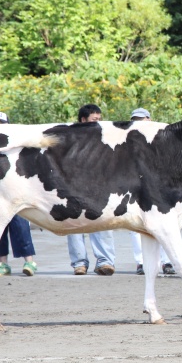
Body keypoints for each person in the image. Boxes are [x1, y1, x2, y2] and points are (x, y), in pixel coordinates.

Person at [66, 104, 116, 276]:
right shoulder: (70, 137)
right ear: (83, 119)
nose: (98, 123)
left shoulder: (105, 137)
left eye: (99, 119)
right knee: (73, 225)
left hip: (99, 186)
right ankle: (79, 263)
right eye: (95, 119)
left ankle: (105, 262)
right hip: (73, 186)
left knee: (102, 223)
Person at [0, 112, 38, 277]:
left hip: (16, 193)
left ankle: (29, 262)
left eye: (1, 123)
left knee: (21, 226)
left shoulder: (16, 145)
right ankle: (3, 264)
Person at [129, 107, 175, 275]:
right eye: (136, 119)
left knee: (164, 225)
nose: (139, 122)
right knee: (136, 226)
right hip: (136, 188)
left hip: (158, 187)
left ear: (149, 119)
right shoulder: (129, 140)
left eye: (142, 119)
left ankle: (167, 262)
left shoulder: (162, 138)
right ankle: (141, 262)